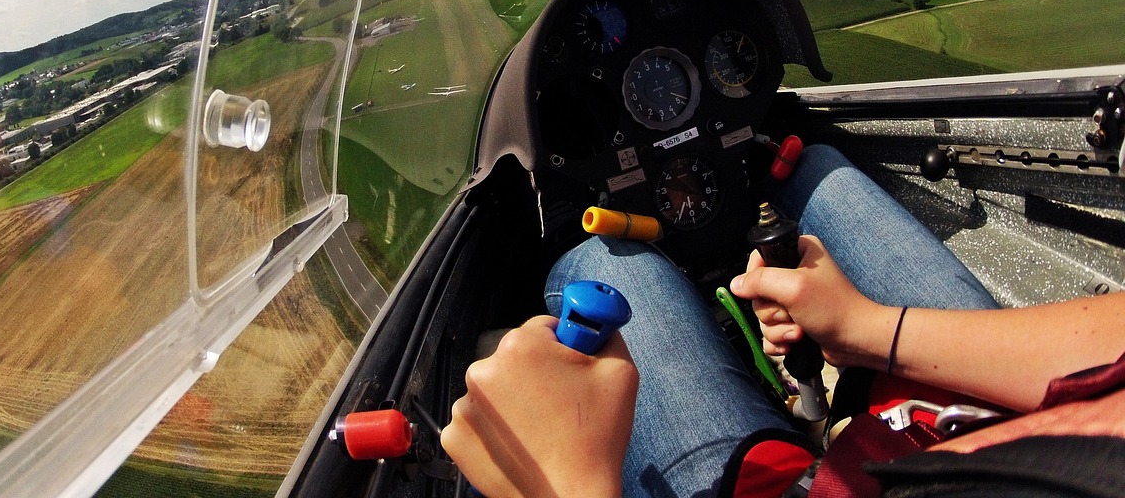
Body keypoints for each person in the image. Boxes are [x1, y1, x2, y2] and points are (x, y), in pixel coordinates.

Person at [440, 145, 1125, 498]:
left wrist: (567, 485)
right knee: (813, 171)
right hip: (984, 413)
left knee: (608, 258)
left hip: (788, 485)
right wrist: (866, 327)